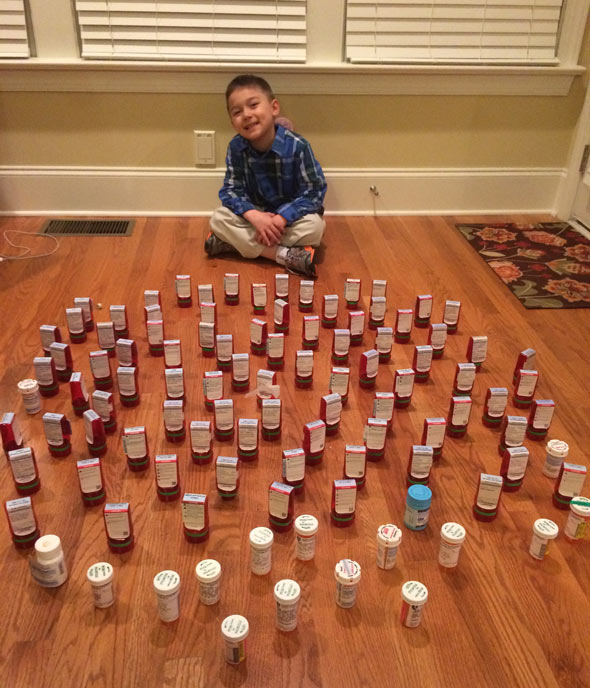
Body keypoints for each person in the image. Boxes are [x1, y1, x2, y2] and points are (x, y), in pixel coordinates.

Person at [206, 74, 327, 277]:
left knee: (315, 227)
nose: (246, 114)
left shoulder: (298, 146)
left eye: (253, 105)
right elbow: (230, 191)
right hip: (255, 218)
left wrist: (281, 218)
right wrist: (255, 216)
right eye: (237, 112)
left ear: (274, 108)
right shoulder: (236, 148)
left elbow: (314, 191)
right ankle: (282, 255)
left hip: (288, 220)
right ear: (232, 121)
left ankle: (233, 244)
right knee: (218, 219)